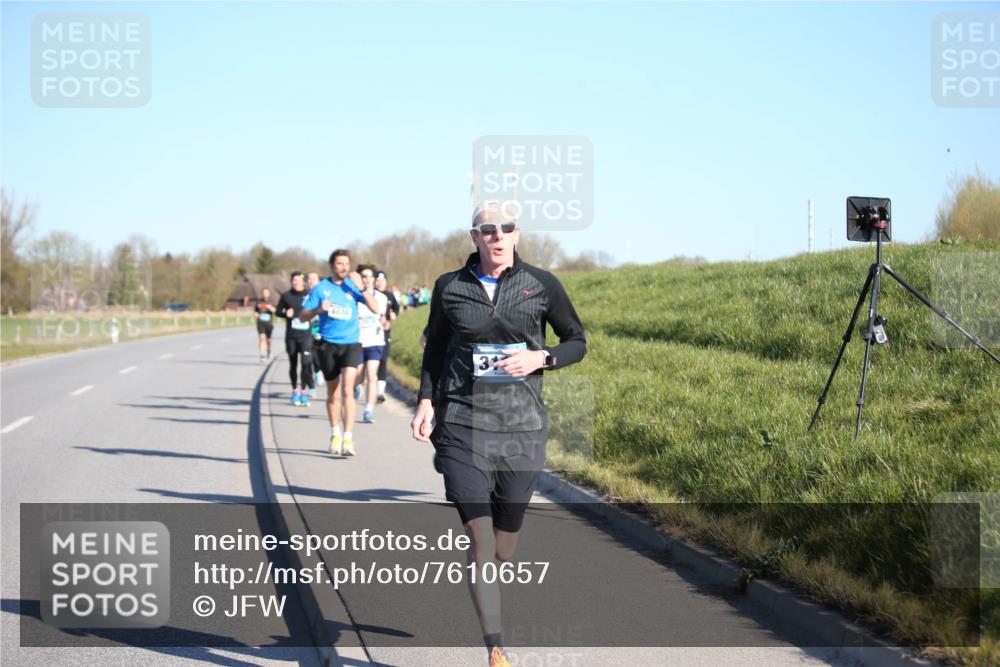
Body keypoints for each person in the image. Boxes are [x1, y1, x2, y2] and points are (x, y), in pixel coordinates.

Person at [410, 202, 587, 667]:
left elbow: (577, 341)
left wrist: (540, 358)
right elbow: (435, 349)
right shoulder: (450, 286)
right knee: (481, 541)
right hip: (462, 422)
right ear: (474, 237)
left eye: (506, 228)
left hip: (521, 428)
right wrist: (426, 400)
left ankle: (484, 579)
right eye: (487, 229)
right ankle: (495, 649)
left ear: (517, 234)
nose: (497, 236)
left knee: (503, 548)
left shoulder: (542, 285)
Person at [298, 250, 380, 457]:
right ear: (332, 266)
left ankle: (348, 438)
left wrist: (362, 287)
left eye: (346, 264)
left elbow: (375, 308)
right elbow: (302, 316)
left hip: (351, 344)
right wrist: (318, 309)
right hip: (328, 345)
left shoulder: (353, 286)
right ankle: (335, 432)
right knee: (333, 394)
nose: (344, 267)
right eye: (340, 263)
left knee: (347, 390)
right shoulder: (320, 288)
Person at [353, 264, 389, 422]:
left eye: (369, 276)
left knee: (372, 374)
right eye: (363, 276)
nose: (366, 279)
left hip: (375, 340)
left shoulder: (382, 298)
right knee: (359, 375)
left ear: (374, 279)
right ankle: (356, 386)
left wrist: (385, 322)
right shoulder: (354, 296)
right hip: (358, 341)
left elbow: (382, 318)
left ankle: (369, 410)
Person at [276, 271, 315, 407]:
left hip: (306, 336)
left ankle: (303, 391)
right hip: (291, 336)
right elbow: (277, 311)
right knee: (293, 364)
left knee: (305, 363)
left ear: (303, 281)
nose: (296, 282)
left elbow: (317, 309)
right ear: (291, 281)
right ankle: (294, 391)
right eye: (294, 280)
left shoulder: (309, 295)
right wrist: (285, 314)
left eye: (298, 280)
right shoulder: (286, 296)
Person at [375, 270, 400, 404]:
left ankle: (380, 392)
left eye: (382, 280)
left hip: (385, 333)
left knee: (383, 360)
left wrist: (392, 316)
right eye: (377, 280)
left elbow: (396, 309)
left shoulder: (390, 295)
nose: (379, 283)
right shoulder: (370, 295)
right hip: (370, 333)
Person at [307, 272, 325, 389]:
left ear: (319, 281)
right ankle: (317, 371)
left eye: (314, 279)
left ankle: (321, 369)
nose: (311, 281)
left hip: (323, 328)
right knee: (312, 354)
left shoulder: (324, 294)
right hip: (309, 328)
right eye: (309, 279)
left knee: (323, 354)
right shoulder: (305, 295)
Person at [254, 287, 276, 362]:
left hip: (269, 323)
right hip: (260, 322)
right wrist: (256, 314)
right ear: (262, 294)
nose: (265, 294)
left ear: (269, 294)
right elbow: (255, 311)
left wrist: (270, 308)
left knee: (268, 339)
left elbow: (275, 311)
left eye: (266, 292)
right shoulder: (258, 302)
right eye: (264, 292)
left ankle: (269, 350)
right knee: (262, 338)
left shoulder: (272, 302)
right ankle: (262, 355)